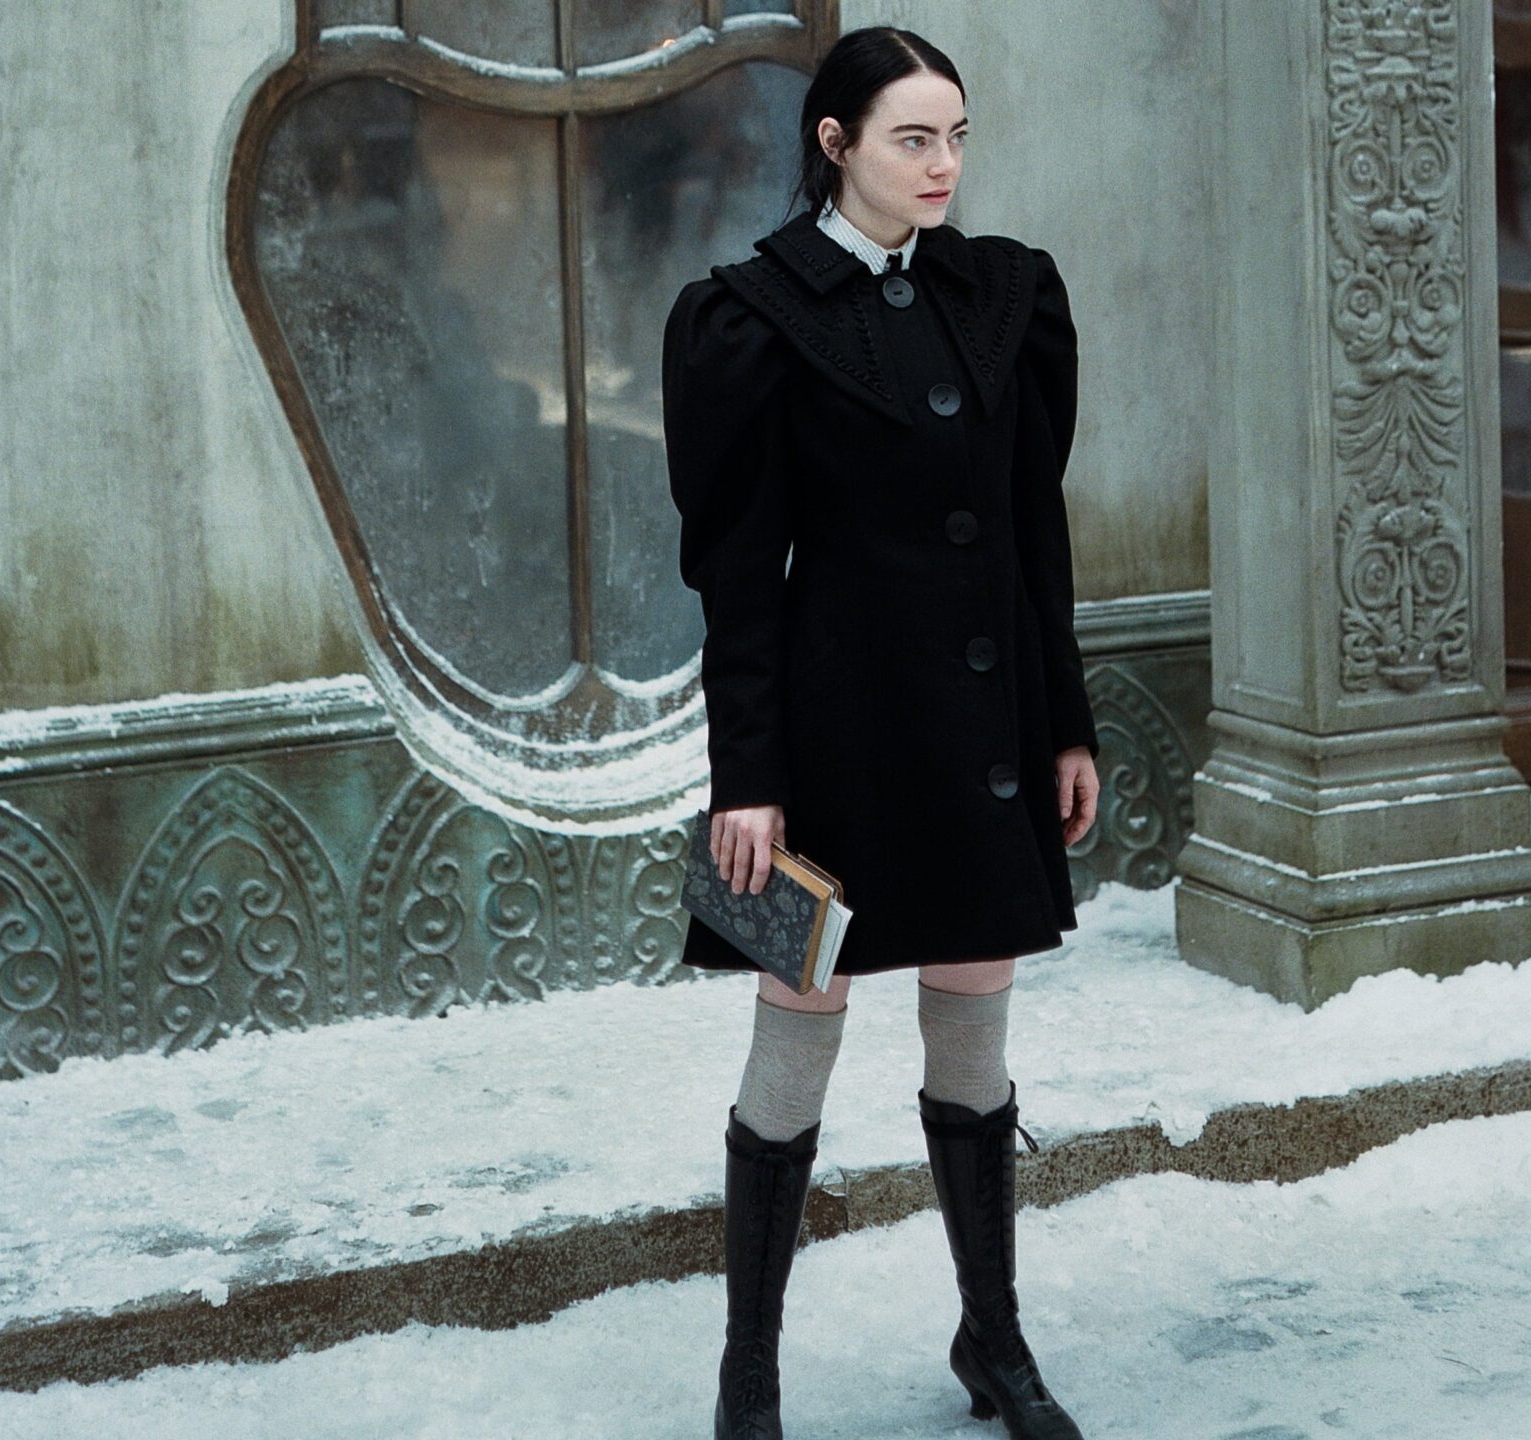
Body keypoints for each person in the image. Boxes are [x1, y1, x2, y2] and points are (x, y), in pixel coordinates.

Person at [660, 26, 1100, 1440]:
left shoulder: (1007, 294)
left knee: (975, 1028)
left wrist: (1067, 726)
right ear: (835, 142)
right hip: (826, 742)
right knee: (797, 1033)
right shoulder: (746, 316)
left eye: (957, 136)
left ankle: (995, 1339)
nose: (944, 164)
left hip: (983, 727)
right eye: (914, 138)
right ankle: (749, 1372)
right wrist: (746, 782)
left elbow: (1035, 532)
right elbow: (738, 577)